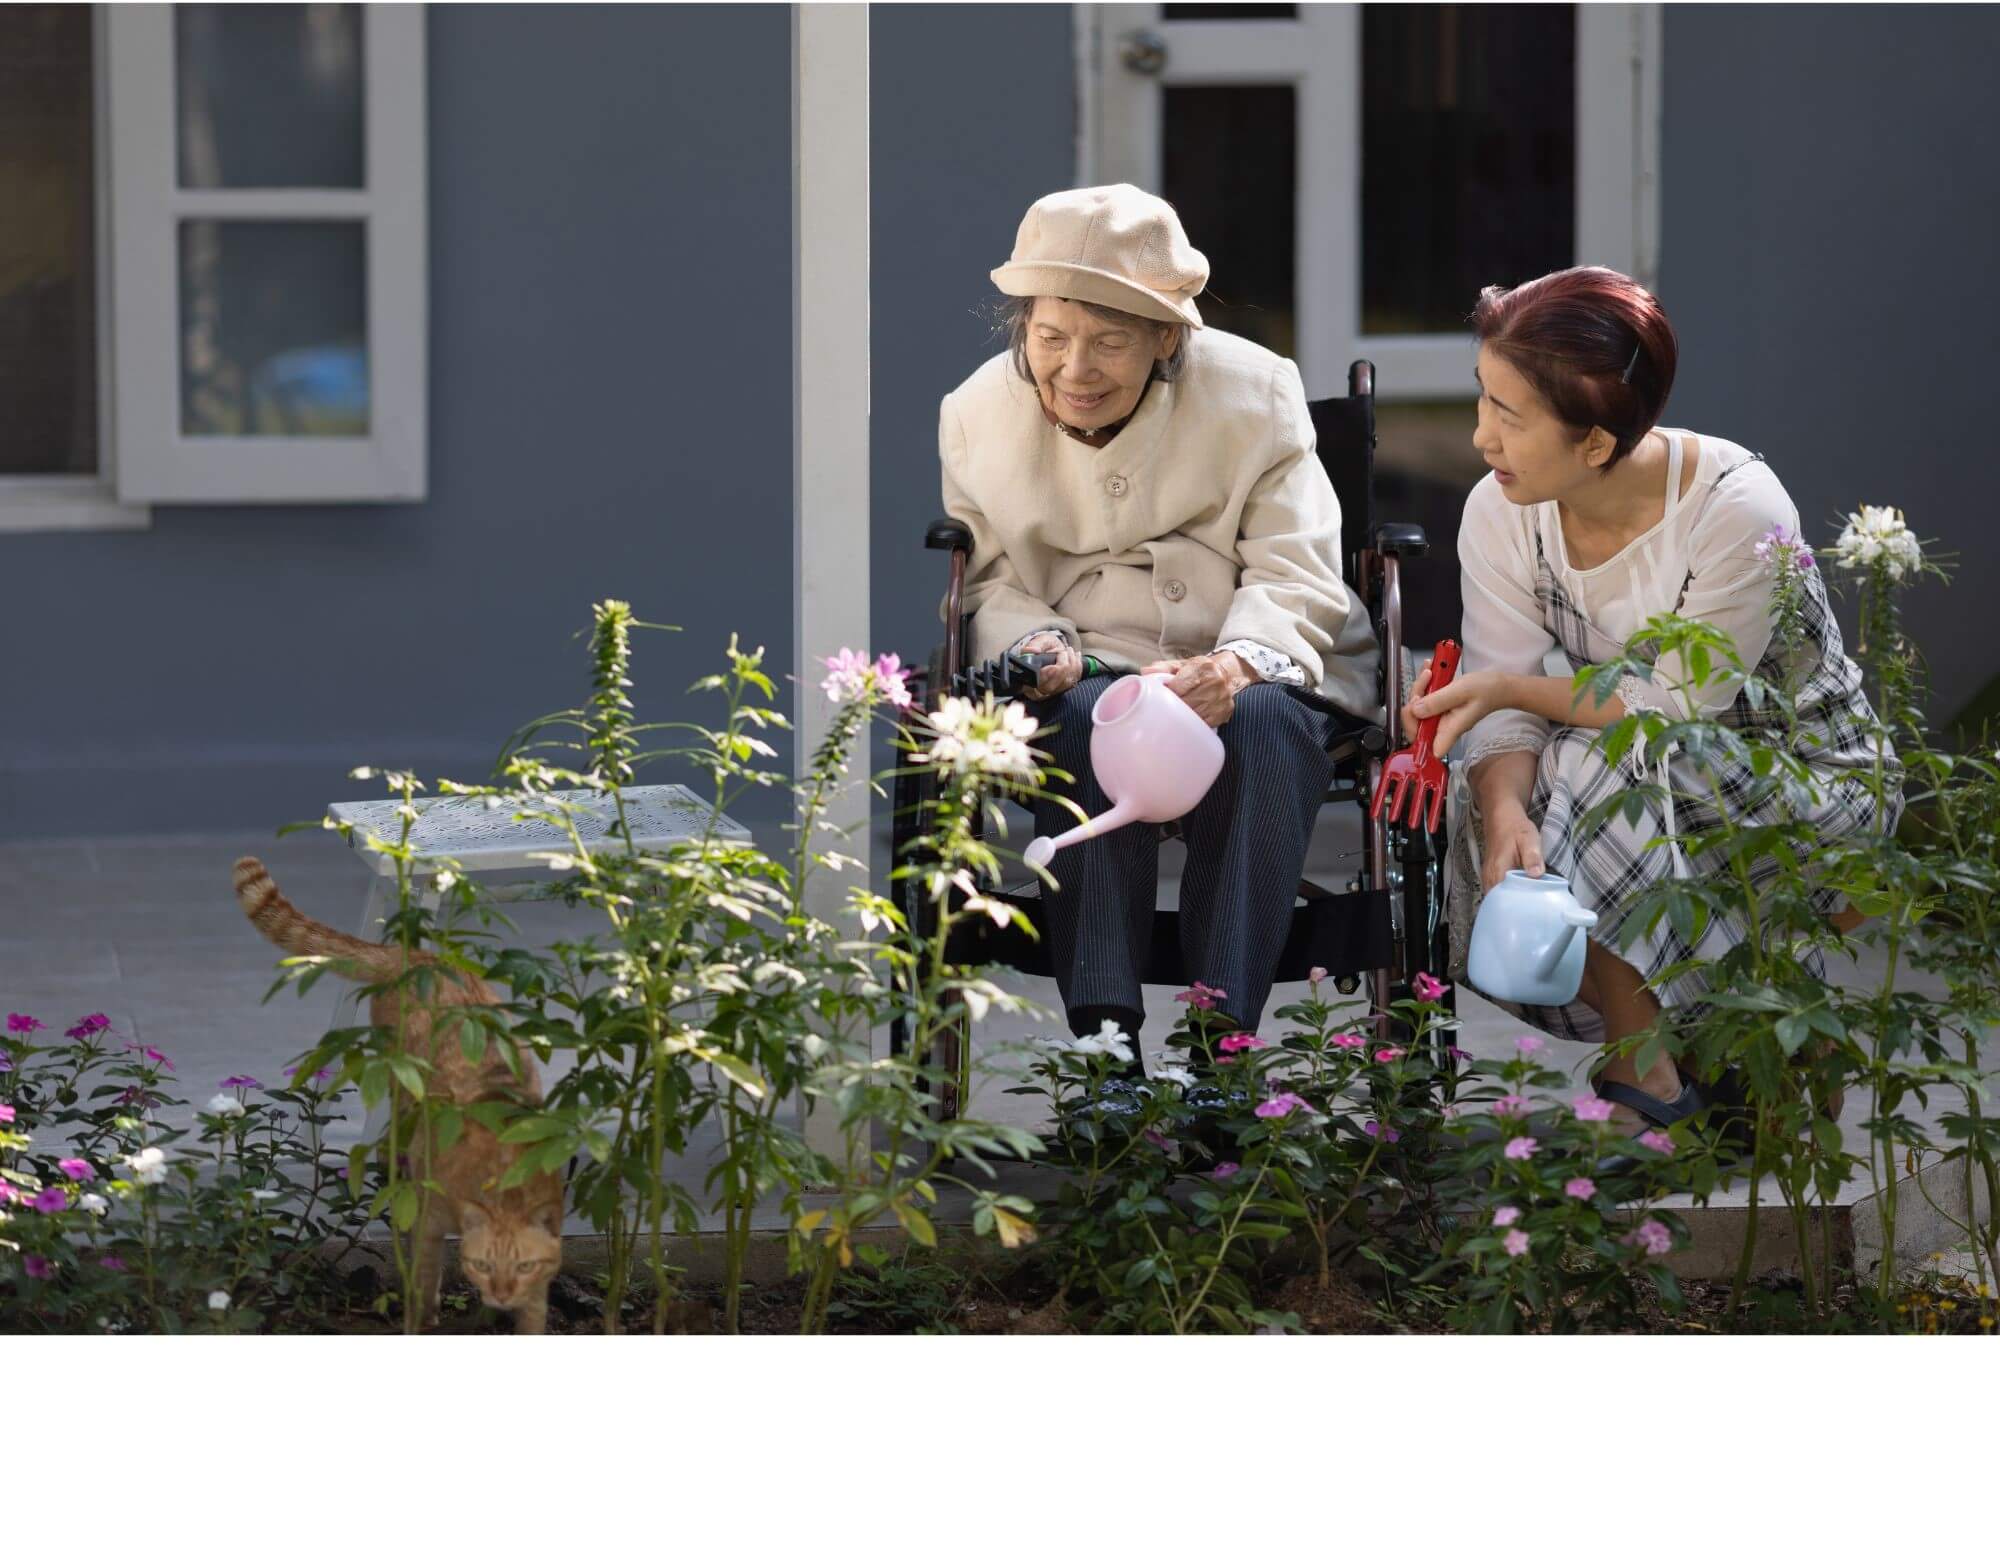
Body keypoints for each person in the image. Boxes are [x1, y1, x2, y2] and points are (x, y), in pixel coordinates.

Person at [1404, 265, 1898, 1136]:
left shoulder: (1735, 507)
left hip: (1808, 784)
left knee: (1598, 762)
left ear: (1596, 443)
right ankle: (1747, 1046)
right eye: (1482, 398)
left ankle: (1646, 1074)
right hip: (1660, 776)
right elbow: (1501, 695)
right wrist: (1506, 807)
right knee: (1500, 814)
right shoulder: (1502, 509)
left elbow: (1666, 703)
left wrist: (1514, 689)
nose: (1480, 436)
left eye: (1508, 416)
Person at [936, 184, 1379, 1069]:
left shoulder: (1257, 390)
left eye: (1110, 341)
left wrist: (1238, 665)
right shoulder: (975, 412)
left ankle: (1223, 1047)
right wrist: (1039, 645)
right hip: (1086, 662)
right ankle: (1105, 1048)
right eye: (1050, 337)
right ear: (1022, 325)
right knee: (1092, 724)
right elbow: (986, 575)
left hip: (1250, 658)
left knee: (1260, 727)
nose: (1074, 369)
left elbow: (1297, 563)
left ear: (1170, 337)